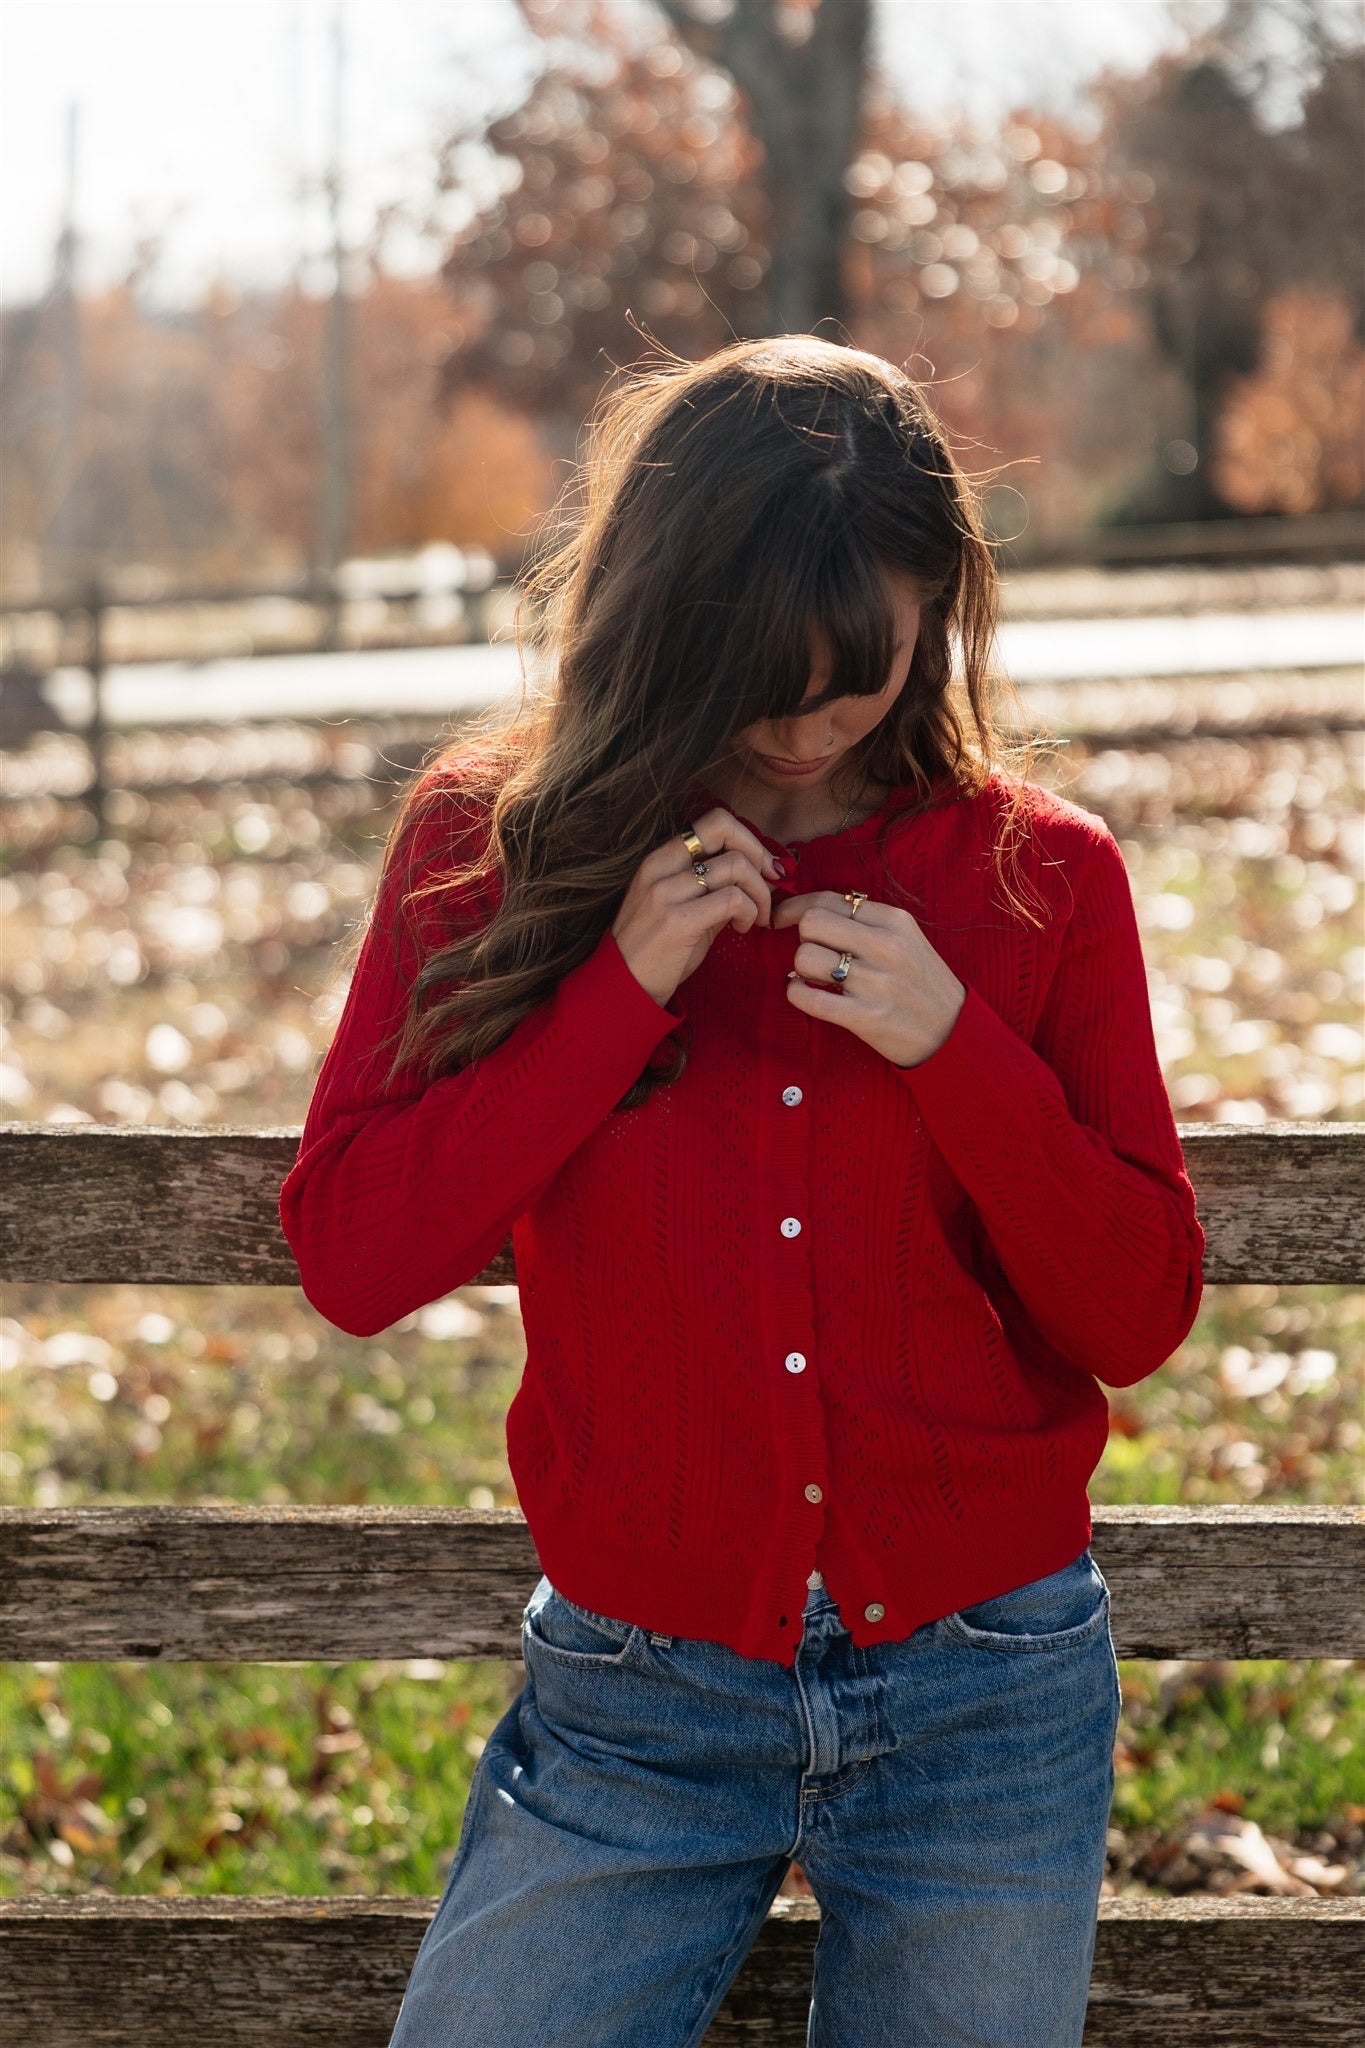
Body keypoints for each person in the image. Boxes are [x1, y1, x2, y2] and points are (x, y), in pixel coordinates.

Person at [278, 335, 1206, 2048]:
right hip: (639, 1698)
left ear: (939, 606)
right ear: (661, 619)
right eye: (754, 674)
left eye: (858, 671)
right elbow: (353, 1252)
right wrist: (613, 992)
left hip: (984, 1686)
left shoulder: (1041, 878)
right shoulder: (493, 842)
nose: (800, 725)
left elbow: (1136, 1310)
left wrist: (955, 1050)